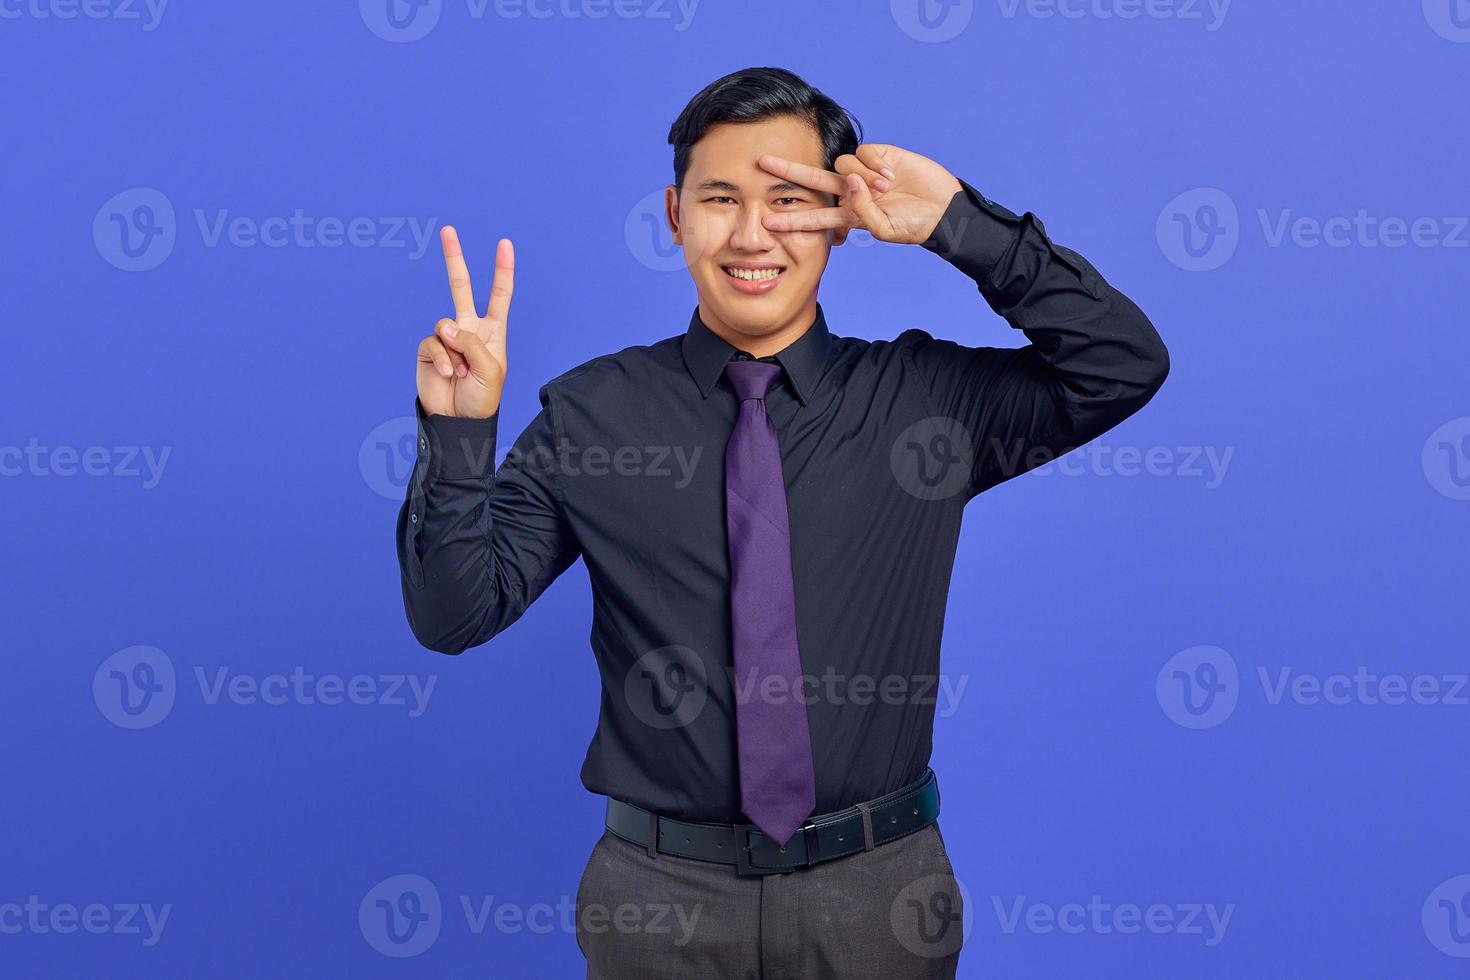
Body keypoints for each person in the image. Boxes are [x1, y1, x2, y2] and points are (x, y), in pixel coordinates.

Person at [396, 66, 1168, 979]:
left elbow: (1122, 365)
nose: (753, 232)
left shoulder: (927, 403)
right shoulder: (593, 415)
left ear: (840, 217)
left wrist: (960, 225)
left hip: (878, 895)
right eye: (721, 198)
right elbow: (454, 616)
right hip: (658, 904)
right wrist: (457, 435)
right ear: (677, 214)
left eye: (790, 200)